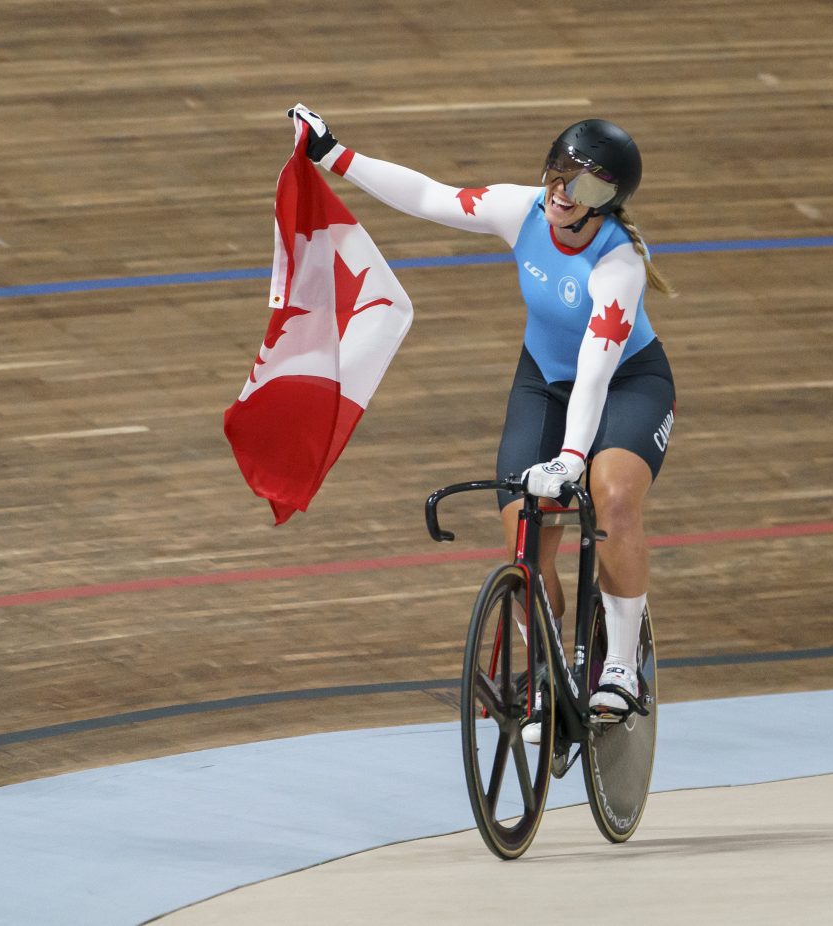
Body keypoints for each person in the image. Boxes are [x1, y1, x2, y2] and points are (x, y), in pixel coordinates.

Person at [289, 104, 676, 728]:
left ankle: (622, 666)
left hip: (629, 384)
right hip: (545, 382)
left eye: (584, 186)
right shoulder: (519, 209)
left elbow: (599, 368)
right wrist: (334, 155)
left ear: (608, 201)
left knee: (613, 498)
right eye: (558, 174)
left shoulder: (619, 263)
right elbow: (429, 196)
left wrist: (573, 459)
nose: (563, 193)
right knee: (527, 537)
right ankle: (548, 670)